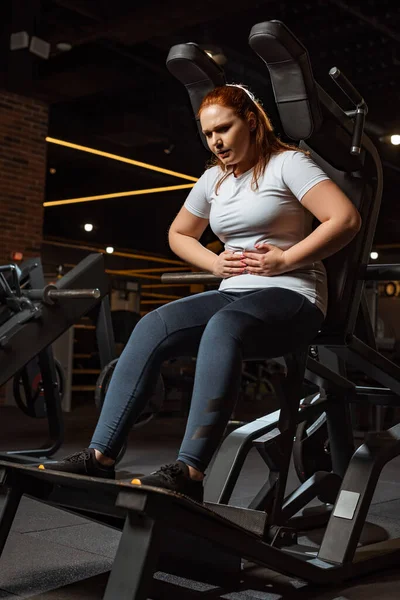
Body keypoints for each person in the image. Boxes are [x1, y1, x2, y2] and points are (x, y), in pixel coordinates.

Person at [40, 85, 361, 503]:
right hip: (235, 294)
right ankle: (99, 457)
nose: (216, 142)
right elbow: (178, 233)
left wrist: (286, 260)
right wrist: (212, 264)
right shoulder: (214, 179)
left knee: (223, 326)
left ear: (250, 121)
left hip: (292, 294)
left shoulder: (288, 164)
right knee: (153, 324)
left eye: (223, 129)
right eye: (208, 134)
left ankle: (189, 471)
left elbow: (345, 218)